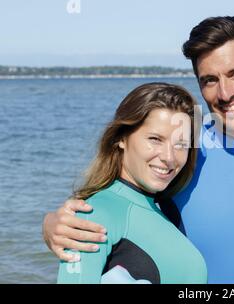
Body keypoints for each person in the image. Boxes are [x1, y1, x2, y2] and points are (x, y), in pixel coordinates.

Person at [44, 16, 234, 283]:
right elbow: (120, 202)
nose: (225, 93)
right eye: (210, 80)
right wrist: (52, 224)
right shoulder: (184, 153)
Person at [57, 82, 207, 283]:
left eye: (181, 144)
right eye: (155, 139)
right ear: (122, 138)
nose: (169, 157)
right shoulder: (95, 212)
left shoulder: (167, 208)